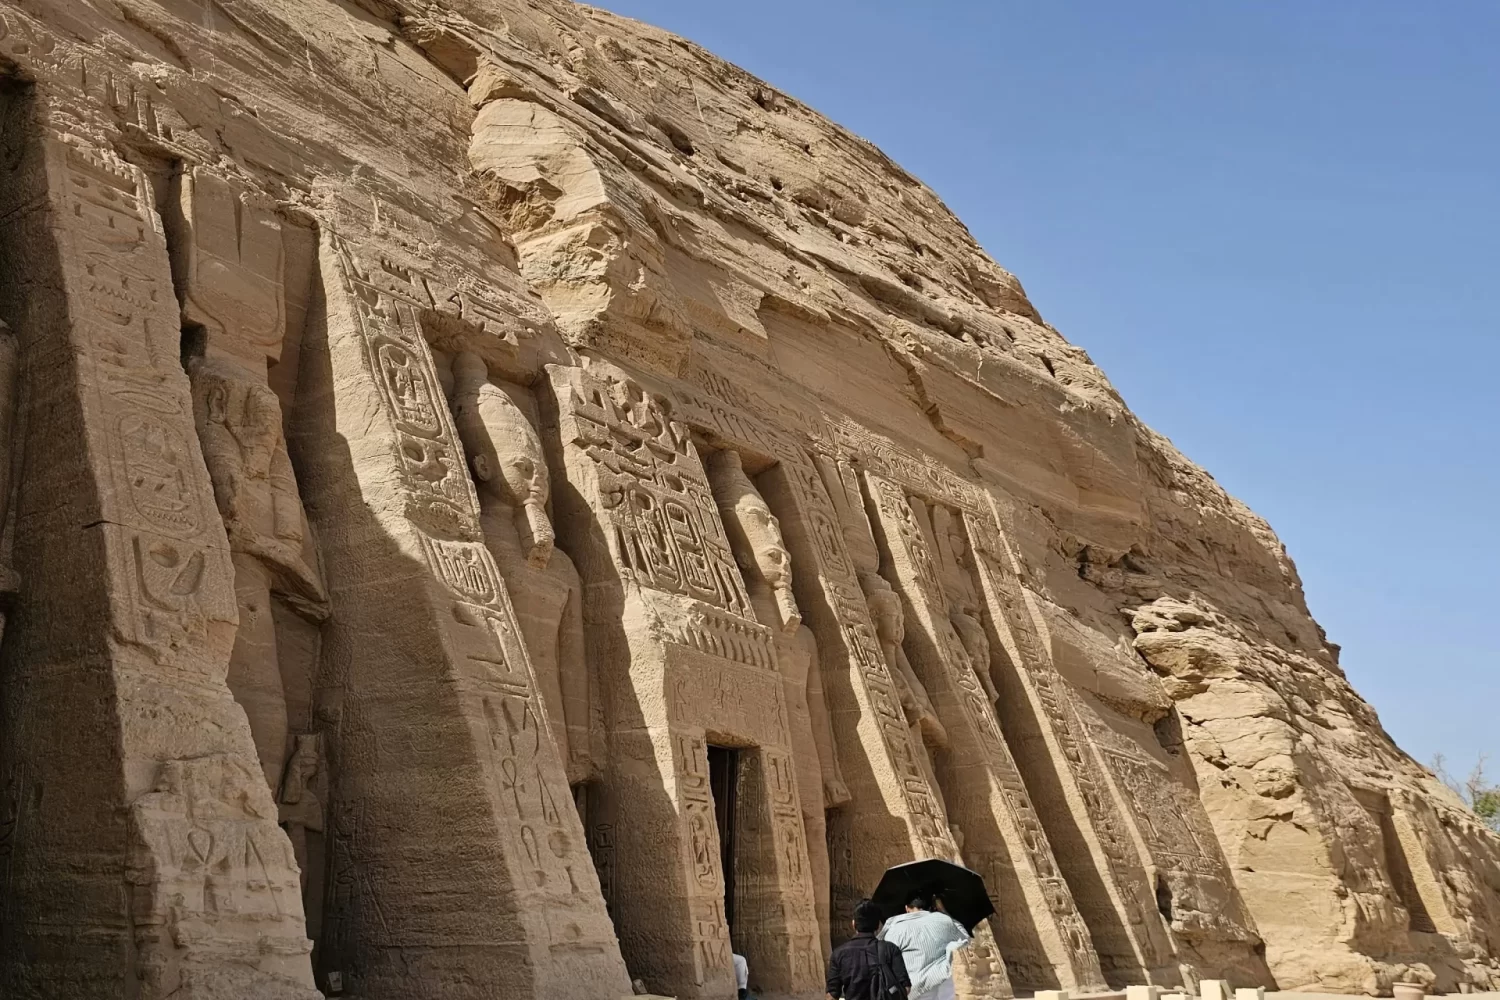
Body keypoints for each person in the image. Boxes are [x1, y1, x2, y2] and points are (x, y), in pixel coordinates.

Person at [877, 893, 971, 1000]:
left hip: (916, 989)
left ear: (907, 908)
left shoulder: (896, 929)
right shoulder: (943, 919)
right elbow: (965, 938)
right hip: (945, 984)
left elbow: (885, 957)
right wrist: (943, 911)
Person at [826, 899, 911, 1000]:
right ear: (878, 926)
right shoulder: (890, 949)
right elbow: (905, 987)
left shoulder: (839, 953)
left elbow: (832, 995)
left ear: (853, 924)